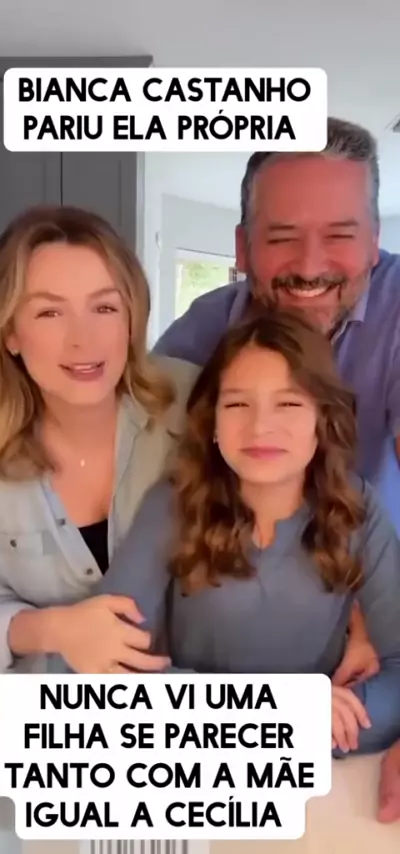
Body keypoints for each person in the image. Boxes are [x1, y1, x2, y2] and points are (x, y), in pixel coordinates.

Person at [153, 116, 400, 818]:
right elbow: (148, 496)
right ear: (242, 247)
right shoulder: (196, 339)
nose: (310, 264)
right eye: (282, 235)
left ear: (374, 241)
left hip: (370, 652)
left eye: (341, 234)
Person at [94, 309, 400, 758]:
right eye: (237, 404)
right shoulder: (174, 503)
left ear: (324, 418)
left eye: (289, 404)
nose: (260, 427)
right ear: (212, 420)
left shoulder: (360, 509)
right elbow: (109, 663)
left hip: (318, 769)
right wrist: (276, 716)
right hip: (192, 762)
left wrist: (323, 725)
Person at [0, 204, 199, 676]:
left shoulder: (196, 405)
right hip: (58, 713)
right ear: (11, 333)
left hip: (207, 709)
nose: (83, 339)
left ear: (131, 319)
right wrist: (56, 629)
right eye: (50, 312)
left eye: (104, 307)